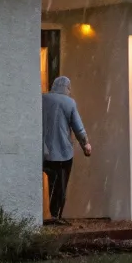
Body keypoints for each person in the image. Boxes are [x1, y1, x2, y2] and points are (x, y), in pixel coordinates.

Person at [41, 75, 91, 225]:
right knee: (60, 186)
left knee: (49, 182)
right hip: (63, 152)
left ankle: (41, 215)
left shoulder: (42, 99)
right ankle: (55, 215)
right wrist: (86, 145)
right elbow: (79, 128)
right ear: (67, 88)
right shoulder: (69, 103)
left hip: (43, 151)